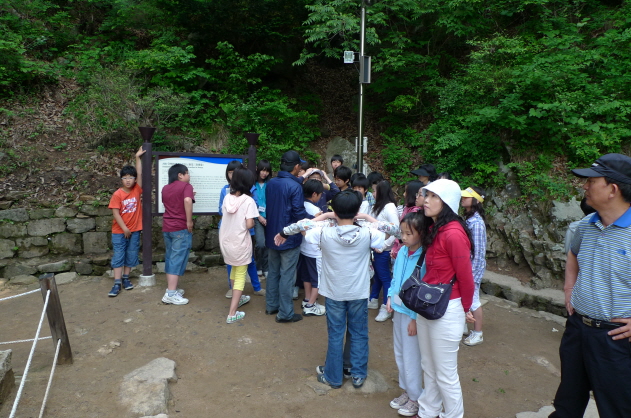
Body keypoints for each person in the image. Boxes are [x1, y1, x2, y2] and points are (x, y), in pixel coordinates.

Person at [276, 191, 389, 389]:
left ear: (334, 210)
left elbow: (304, 224)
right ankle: (357, 373)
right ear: (356, 212)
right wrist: (368, 218)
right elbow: (392, 230)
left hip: (334, 292)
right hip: (359, 291)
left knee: (336, 333)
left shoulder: (323, 233)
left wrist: (325, 216)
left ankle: (333, 377)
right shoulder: (369, 232)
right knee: (359, 332)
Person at [549, 153, 631, 418]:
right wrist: (569, 289)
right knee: (567, 402)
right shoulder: (587, 224)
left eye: (592, 181)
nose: (584, 186)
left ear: (613, 189)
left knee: (616, 408)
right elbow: (573, 253)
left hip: (615, 338)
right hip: (577, 329)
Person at [416, 179, 475, 418]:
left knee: (445, 373)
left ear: (447, 203)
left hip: (447, 307)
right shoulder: (435, 228)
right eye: (426, 195)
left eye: (433, 197)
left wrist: (466, 308)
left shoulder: (453, 233)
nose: (426, 201)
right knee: (428, 367)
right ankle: (428, 411)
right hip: (428, 303)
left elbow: (466, 277)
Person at [266, 150, 313, 323]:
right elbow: (299, 212)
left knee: (273, 272)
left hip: (272, 234)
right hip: (289, 237)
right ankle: (285, 313)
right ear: (296, 166)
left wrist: (304, 177)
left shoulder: (272, 183)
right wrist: (316, 219)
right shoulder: (295, 187)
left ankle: (271, 306)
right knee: (287, 275)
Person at [386, 212, 425, 417]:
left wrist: (414, 318)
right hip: (399, 309)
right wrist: (391, 296)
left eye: (409, 233)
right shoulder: (402, 251)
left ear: (422, 233)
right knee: (400, 353)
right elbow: (395, 277)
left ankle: (415, 397)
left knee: (411, 357)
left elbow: (424, 291)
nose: (404, 237)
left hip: (412, 314)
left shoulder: (425, 256)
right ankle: (407, 391)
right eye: (402, 233)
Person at [219, 161, 264, 298]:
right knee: (231, 262)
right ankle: (233, 289)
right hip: (235, 229)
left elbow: (255, 206)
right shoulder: (225, 191)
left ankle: (256, 287)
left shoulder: (251, 192)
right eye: (230, 172)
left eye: (235, 173)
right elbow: (220, 209)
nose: (232, 175)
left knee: (249, 259)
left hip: (242, 231)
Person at [107, 146, 146, 297]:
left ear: (134, 179)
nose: (128, 180)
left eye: (131, 177)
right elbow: (115, 212)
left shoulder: (137, 190)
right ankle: (117, 283)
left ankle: (126, 278)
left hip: (135, 229)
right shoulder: (118, 194)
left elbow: (140, 173)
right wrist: (124, 228)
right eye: (125, 178)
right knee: (118, 255)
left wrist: (138, 158)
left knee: (131, 254)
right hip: (120, 231)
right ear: (121, 179)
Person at [161, 163, 195, 305]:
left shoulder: (165, 188)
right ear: (180, 175)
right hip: (180, 228)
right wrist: (189, 221)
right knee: (177, 258)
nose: (189, 176)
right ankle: (170, 293)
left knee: (171, 257)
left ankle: (172, 289)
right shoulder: (186, 186)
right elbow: (187, 200)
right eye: (187, 173)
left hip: (167, 227)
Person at [368, 180, 400, 322]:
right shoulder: (379, 206)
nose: (373, 193)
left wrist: (383, 246)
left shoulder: (389, 207)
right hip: (376, 248)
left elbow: (396, 230)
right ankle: (373, 299)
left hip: (384, 250)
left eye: (375, 191)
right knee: (378, 276)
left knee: (385, 278)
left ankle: (386, 307)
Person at [461, 186, 487, 346]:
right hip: (467, 268)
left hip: (472, 270)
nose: (463, 198)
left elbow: (477, 253)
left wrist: (470, 275)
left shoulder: (476, 223)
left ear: (476, 200)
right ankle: (464, 326)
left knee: (474, 301)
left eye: (467, 197)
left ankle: (478, 333)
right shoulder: (469, 219)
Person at [298, 179, 326, 316]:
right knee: (318, 279)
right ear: (314, 194)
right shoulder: (316, 211)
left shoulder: (301, 205)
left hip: (304, 248)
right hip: (315, 251)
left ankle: (307, 299)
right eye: (320, 194)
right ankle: (310, 305)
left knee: (306, 276)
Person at [391, 180, 424, 260]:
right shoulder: (407, 208)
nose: (404, 194)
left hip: (407, 250)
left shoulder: (416, 212)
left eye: (406, 191)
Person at [254, 160, 272, 278]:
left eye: (267, 171)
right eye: (262, 170)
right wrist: (259, 216)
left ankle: (265, 267)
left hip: (269, 217)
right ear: (257, 169)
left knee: (268, 244)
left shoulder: (271, 184)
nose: (264, 173)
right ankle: (258, 266)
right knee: (260, 243)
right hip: (256, 216)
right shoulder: (252, 184)